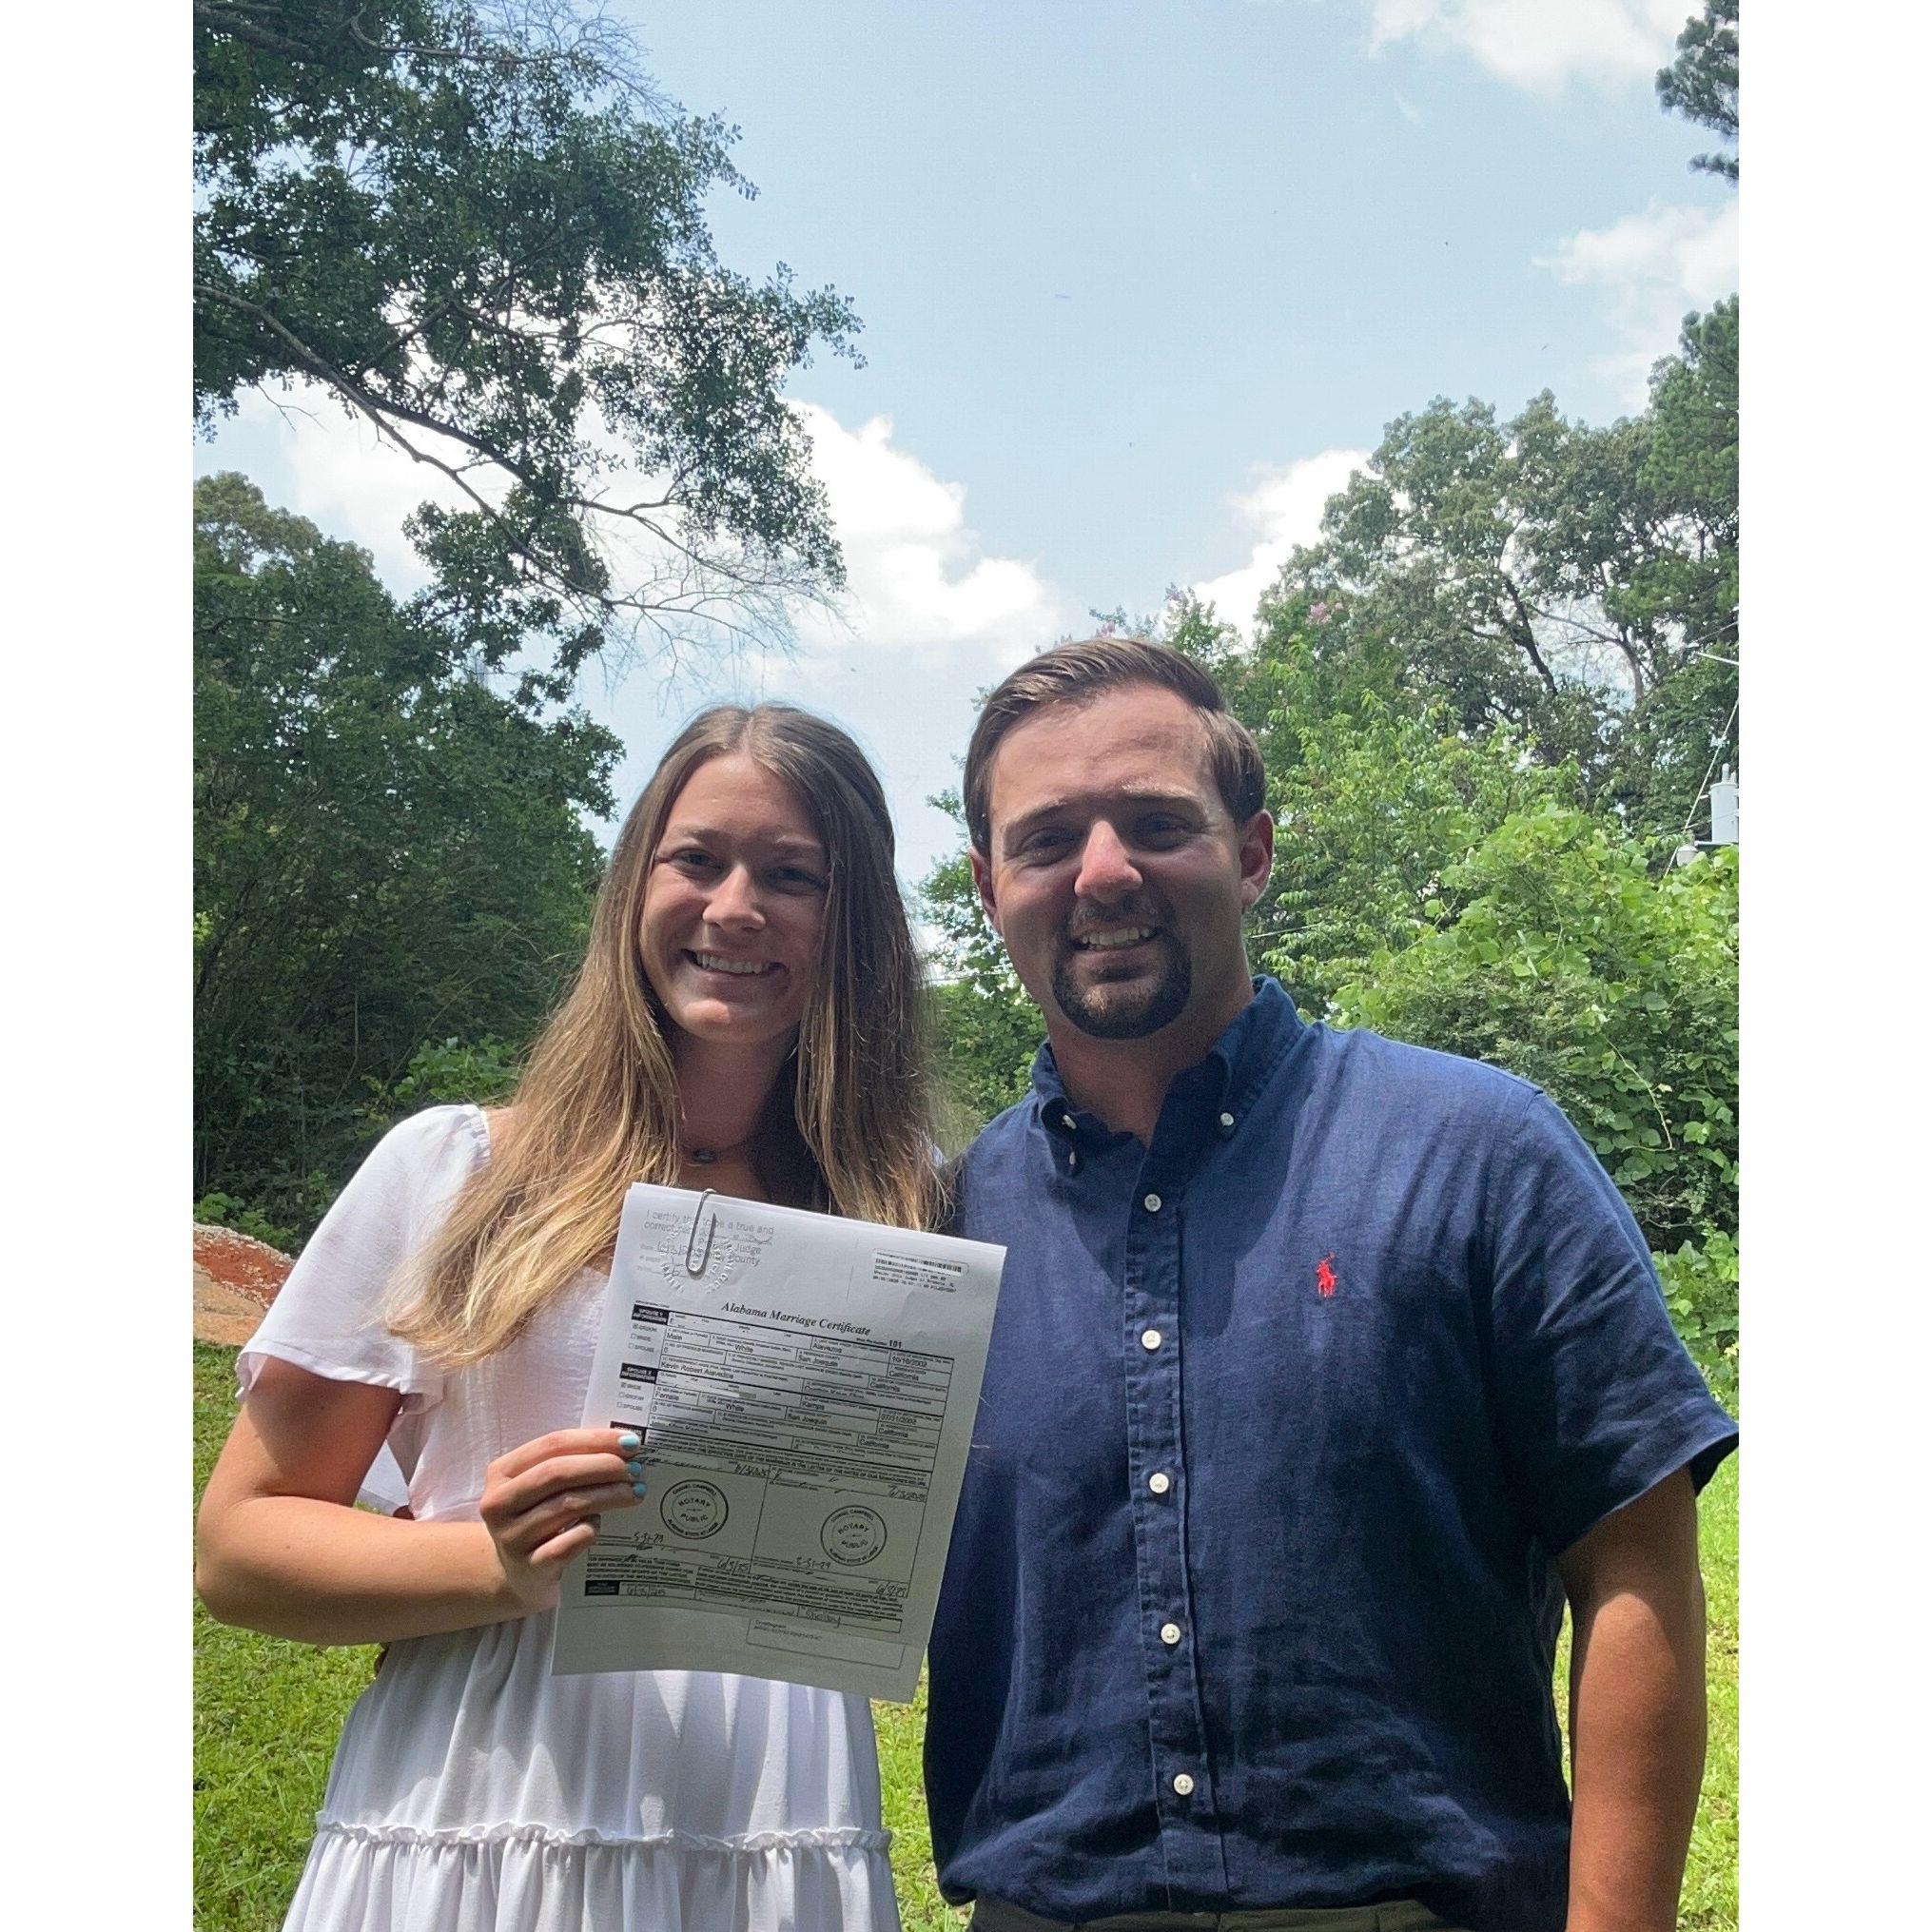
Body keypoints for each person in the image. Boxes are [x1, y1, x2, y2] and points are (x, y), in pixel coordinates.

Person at [923, 637, 1737, 1932]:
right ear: (987, 887)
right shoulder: (939, 1231)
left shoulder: (1480, 1152)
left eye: (1156, 824)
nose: (1104, 872)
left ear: (1251, 853)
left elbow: (1635, 1565)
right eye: (1048, 839)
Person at [197, 704, 946, 1932]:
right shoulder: (458, 1171)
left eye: (793, 875)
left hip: (776, 1816)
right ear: (635, 882)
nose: (737, 907)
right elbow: (238, 1551)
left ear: (855, 919)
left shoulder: (908, 1210)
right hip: (485, 1807)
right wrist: (496, 1565)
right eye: (697, 858)